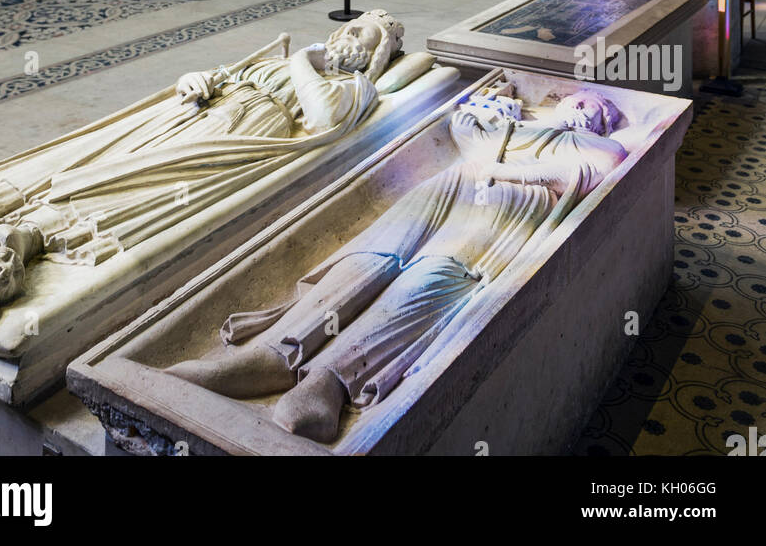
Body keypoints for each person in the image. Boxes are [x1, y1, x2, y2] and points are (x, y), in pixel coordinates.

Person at [169, 88, 627, 443]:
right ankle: (273, 354)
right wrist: (496, 119)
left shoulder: (597, 146)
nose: (588, 111)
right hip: (455, 185)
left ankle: (328, 380)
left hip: (509, 207)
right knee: (376, 258)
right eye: (583, 101)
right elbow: (463, 127)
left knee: (433, 275)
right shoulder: (513, 122)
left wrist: (502, 165)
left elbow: (589, 172)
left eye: (599, 113)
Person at [0, 13, 407, 284]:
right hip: (206, 108)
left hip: (243, 135)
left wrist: (304, 59)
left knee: (134, 182)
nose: (344, 31)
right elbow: (224, 74)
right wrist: (195, 78)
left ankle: (28, 236)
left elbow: (322, 119)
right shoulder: (295, 61)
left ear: (373, 52)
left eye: (359, 30)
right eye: (348, 23)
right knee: (105, 152)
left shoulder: (352, 85)